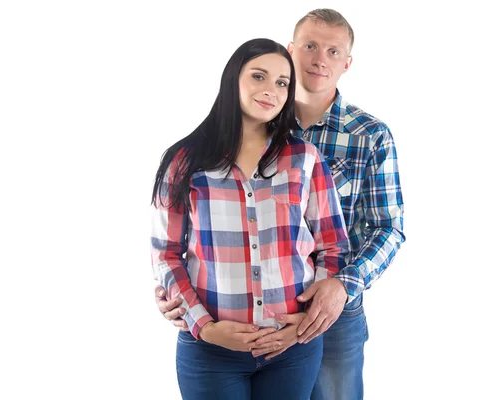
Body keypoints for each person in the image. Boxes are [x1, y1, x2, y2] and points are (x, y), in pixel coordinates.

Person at [155, 9, 406, 400]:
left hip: (334, 306)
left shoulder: (367, 135)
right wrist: (182, 300)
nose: (319, 59)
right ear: (291, 50)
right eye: (309, 46)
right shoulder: (225, 139)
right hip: (227, 322)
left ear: (347, 63)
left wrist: (341, 286)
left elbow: (387, 227)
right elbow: (174, 247)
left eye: (333, 51)